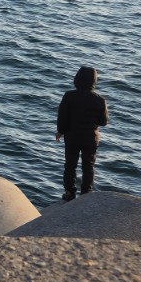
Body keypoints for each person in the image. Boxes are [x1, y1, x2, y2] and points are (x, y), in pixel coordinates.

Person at [55, 65, 109, 201]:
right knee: (88, 166)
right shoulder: (100, 100)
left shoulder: (69, 96)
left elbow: (62, 117)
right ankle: (86, 193)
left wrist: (60, 131)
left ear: (77, 78)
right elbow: (103, 122)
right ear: (94, 81)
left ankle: (69, 192)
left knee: (70, 165)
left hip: (72, 136)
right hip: (91, 138)